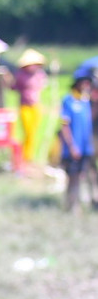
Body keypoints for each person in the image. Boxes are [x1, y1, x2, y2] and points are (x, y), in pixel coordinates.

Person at [3, 49, 48, 168]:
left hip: (36, 106)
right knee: (27, 131)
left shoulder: (40, 75)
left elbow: (43, 85)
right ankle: (25, 156)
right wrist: (6, 79)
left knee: (33, 132)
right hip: (25, 106)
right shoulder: (20, 75)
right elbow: (13, 87)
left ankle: (29, 156)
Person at [58, 71, 93, 212]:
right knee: (73, 177)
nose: (86, 85)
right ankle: (71, 205)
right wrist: (72, 146)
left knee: (83, 176)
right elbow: (64, 125)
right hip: (73, 148)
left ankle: (78, 204)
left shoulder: (86, 101)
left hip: (86, 147)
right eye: (83, 82)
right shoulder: (68, 100)